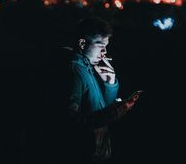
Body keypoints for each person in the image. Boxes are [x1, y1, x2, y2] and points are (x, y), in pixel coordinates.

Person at [46, 17, 142, 163]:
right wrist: (117, 111)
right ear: (82, 43)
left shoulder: (87, 67)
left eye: (106, 46)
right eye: (100, 45)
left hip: (96, 154)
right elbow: (71, 124)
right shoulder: (74, 71)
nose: (104, 52)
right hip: (81, 155)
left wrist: (109, 84)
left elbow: (101, 110)